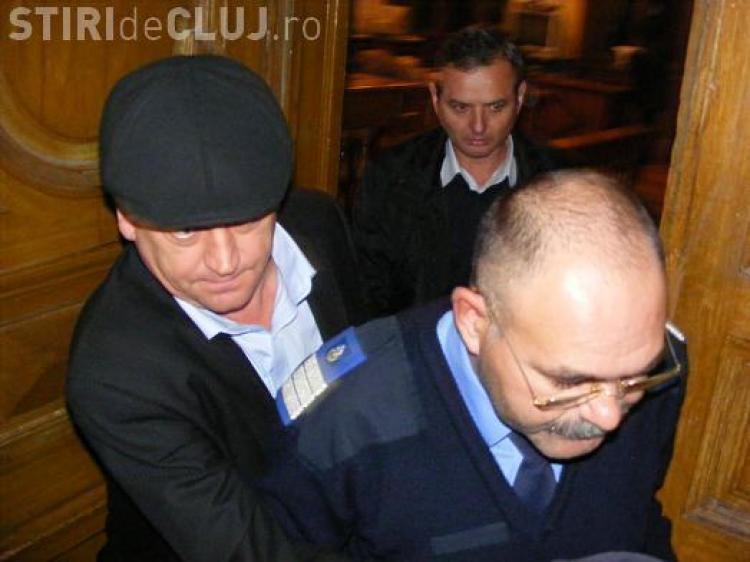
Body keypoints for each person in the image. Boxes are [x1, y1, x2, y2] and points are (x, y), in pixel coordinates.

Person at [261, 170, 687, 561]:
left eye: (634, 378)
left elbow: (637, 519)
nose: (610, 415)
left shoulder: (659, 375)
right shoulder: (344, 423)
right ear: (474, 321)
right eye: (570, 382)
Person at [66, 55, 362, 562]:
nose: (226, 262)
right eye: (185, 231)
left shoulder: (319, 227)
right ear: (127, 219)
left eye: (246, 220)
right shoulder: (113, 372)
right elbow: (247, 550)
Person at [352, 26, 556, 318]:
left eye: (495, 107)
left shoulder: (558, 180)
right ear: (435, 99)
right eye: (460, 107)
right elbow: (369, 296)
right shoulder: (389, 177)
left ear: (520, 97)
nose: (478, 126)